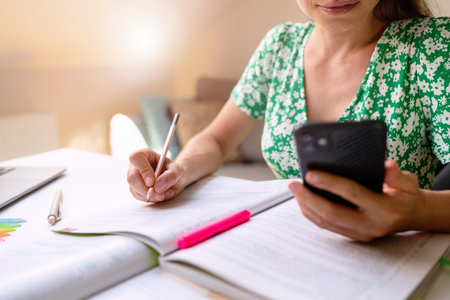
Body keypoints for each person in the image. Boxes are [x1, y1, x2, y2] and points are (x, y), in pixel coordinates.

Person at [127, 0, 450, 242]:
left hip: (402, 256)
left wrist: (418, 210)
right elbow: (217, 139)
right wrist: (178, 171)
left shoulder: (433, 47)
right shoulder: (279, 45)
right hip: (291, 246)